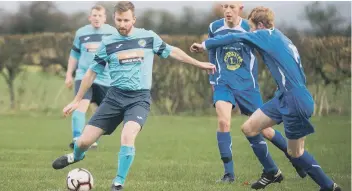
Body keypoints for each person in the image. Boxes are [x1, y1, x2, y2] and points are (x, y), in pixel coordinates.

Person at [52, 2, 216, 191]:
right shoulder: (108, 43)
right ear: (114, 19)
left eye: (126, 20)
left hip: (139, 99)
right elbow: (90, 73)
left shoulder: (148, 37)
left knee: (128, 136)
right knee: (83, 141)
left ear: (134, 19)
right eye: (119, 20)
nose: (122, 24)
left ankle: (118, 182)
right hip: (114, 97)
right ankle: (77, 156)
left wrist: (199, 64)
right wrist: (76, 100)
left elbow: (173, 51)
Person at [190, 6, 341, 191]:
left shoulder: (265, 35)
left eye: (252, 27)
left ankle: (329, 186)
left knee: (296, 153)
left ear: (260, 25)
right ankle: (271, 171)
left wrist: (204, 45)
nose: (251, 31)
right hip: (284, 97)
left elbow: (235, 36)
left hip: (295, 100)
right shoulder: (280, 37)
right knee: (249, 128)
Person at [65, 5, 117, 149]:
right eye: (94, 15)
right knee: (81, 105)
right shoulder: (81, 33)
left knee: (102, 111)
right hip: (83, 76)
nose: (97, 18)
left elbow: (118, 55)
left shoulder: (113, 33)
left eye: (100, 15)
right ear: (90, 17)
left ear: (105, 18)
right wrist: (69, 74)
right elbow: (74, 55)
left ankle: (91, 138)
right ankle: (77, 138)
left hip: (105, 78)